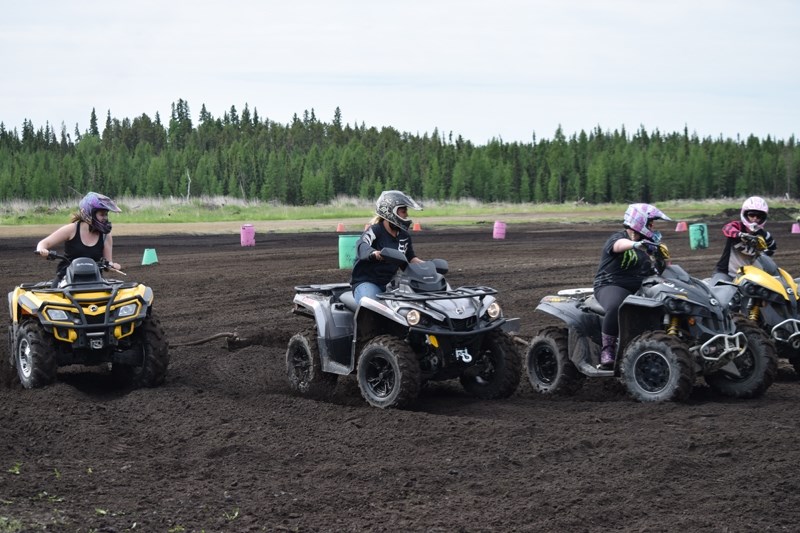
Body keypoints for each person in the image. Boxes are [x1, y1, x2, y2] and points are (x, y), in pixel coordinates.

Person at [593, 203, 671, 369]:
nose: (653, 226)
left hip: (642, 286)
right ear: (639, 221)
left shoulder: (652, 244)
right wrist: (636, 244)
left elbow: (665, 270)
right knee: (616, 306)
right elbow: (618, 245)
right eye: (651, 223)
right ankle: (608, 351)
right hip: (611, 283)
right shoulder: (619, 238)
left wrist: (663, 257)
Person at [351, 190, 423, 304]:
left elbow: (410, 258)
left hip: (390, 284)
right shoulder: (375, 231)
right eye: (403, 211)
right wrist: (374, 253)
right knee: (373, 307)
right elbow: (361, 245)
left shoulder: (404, 236)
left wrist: (428, 266)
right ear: (390, 211)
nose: (407, 215)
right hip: (367, 282)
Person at [36, 192, 122, 285]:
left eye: (106, 214)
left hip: (94, 281)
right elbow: (44, 243)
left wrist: (113, 266)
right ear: (89, 213)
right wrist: (42, 250)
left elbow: (108, 264)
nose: (105, 218)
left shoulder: (106, 236)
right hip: (66, 280)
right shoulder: (72, 229)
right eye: (102, 214)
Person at [711, 196, 776, 284]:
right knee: (717, 293)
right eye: (751, 215)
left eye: (759, 216)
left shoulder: (764, 235)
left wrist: (761, 254)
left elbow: (772, 248)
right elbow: (726, 228)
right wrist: (740, 235)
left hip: (750, 275)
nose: (755, 218)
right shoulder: (738, 227)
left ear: (763, 218)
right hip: (726, 273)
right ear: (745, 214)